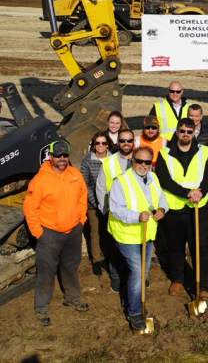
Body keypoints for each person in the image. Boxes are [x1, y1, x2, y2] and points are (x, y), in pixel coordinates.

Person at [23, 140, 88, 326]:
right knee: (46, 271)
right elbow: (30, 209)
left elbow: (82, 198)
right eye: (58, 155)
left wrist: (81, 221)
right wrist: (39, 233)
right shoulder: (40, 181)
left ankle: (72, 297)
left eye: (65, 155)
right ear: (50, 156)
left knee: (71, 266)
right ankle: (41, 308)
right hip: (49, 234)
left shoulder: (75, 175)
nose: (62, 159)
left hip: (73, 231)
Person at [108, 147, 168, 331]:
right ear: (132, 161)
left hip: (147, 233)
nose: (143, 165)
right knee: (139, 272)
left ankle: (136, 297)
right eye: (139, 161)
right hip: (127, 234)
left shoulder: (153, 178)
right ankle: (134, 312)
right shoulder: (121, 181)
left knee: (143, 272)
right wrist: (136, 216)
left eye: (147, 162)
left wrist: (161, 210)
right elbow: (116, 209)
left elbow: (161, 198)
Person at [155, 118, 208, 299]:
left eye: (189, 132)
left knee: (200, 248)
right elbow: (164, 180)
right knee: (176, 248)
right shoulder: (164, 153)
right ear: (176, 132)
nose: (185, 135)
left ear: (193, 133)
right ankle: (178, 279)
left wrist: (200, 192)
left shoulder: (204, 151)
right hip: (174, 210)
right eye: (182, 131)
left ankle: (202, 285)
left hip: (198, 208)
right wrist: (187, 192)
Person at [96, 128, 135, 293]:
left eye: (129, 140)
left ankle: (137, 276)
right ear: (118, 142)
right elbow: (100, 187)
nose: (126, 144)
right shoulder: (109, 162)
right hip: (114, 213)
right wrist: (105, 210)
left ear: (133, 142)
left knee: (135, 247)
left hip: (135, 214)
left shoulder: (141, 161)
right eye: (123, 141)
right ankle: (116, 277)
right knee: (114, 247)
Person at [80, 132, 110, 276]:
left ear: (108, 145)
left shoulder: (113, 160)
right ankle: (96, 260)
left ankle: (108, 257)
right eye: (97, 143)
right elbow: (85, 185)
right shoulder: (87, 161)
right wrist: (97, 203)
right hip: (93, 204)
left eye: (103, 143)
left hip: (110, 203)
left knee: (108, 232)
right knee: (95, 232)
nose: (100, 146)